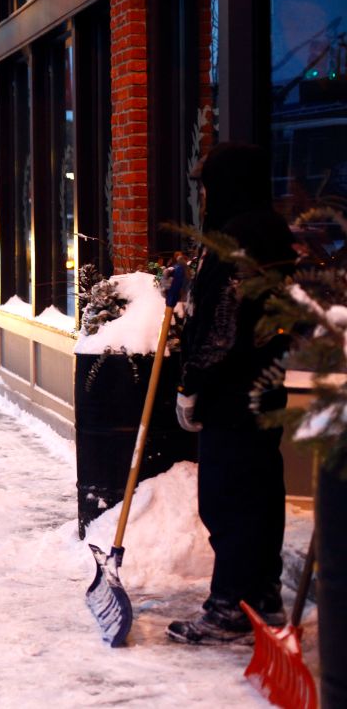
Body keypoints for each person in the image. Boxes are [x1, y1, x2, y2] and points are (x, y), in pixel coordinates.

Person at [167, 143, 298, 644]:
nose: (203, 196)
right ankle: (261, 595)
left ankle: (229, 608)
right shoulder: (271, 231)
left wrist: (191, 386)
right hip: (266, 389)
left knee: (227, 501)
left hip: (231, 394)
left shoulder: (236, 240)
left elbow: (222, 330)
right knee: (261, 494)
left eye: (207, 186)